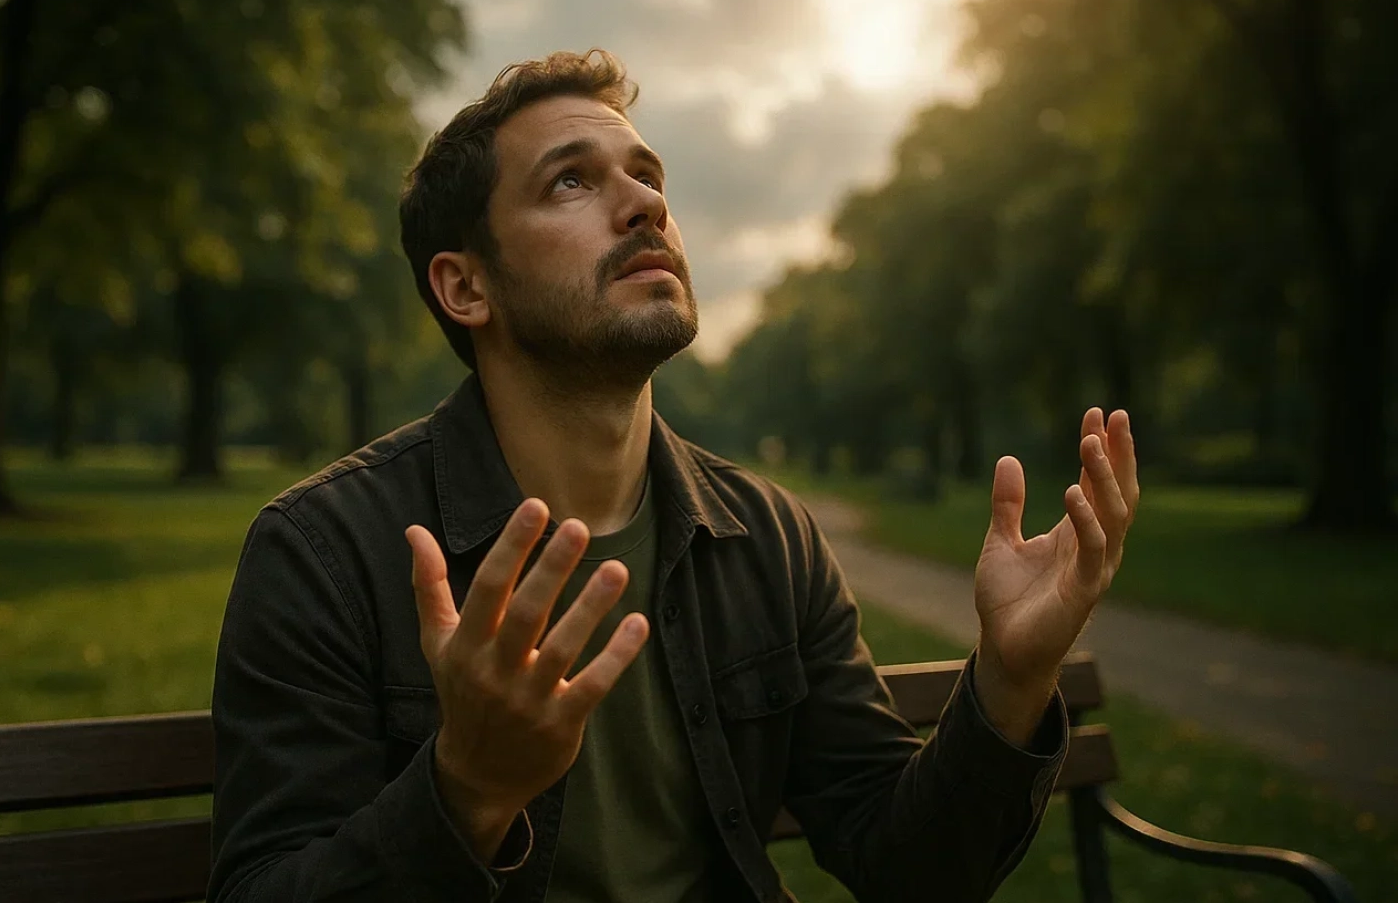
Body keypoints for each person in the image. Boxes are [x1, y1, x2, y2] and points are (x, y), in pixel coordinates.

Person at [208, 49, 1140, 903]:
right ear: (466, 287)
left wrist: (1013, 681)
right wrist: (469, 790)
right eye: (570, 181)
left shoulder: (766, 534)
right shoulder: (325, 554)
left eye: (648, 178)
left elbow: (908, 867)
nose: (644, 204)